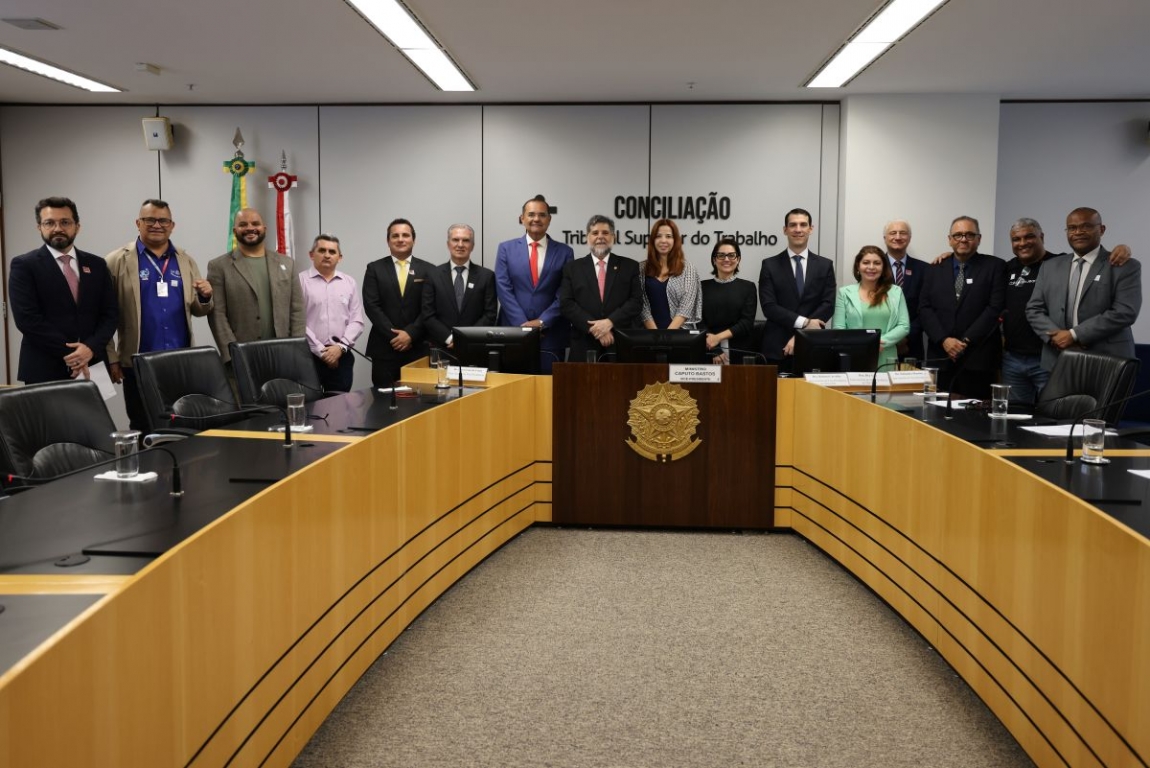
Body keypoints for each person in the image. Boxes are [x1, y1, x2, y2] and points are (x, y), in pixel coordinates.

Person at [105, 199, 214, 429]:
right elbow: (104, 314)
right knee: (143, 424)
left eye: (163, 220)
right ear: (138, 223)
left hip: (180, 360)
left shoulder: (185, 260)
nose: (157, 225)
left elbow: (198, 309)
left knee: (182, 423)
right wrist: (112, 357)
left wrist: (205, 297)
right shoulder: (116, 261)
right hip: (137, 362)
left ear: (172, 225)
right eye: (150, 220)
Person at [9, 196, 117, 384]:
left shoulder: (97, 265)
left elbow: (110, 314)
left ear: (77, 226)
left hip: (93, 363)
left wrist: (90, 348)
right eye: (49, 223)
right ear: (39, 227)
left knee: (92, 407)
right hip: (45, 367)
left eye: (65, 222)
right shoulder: (24, 265)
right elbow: (27, 319)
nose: (57, 228)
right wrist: (75, 354)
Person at [1026, 207, 1142, 371]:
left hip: (1108, 360)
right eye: (1072, 228)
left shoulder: (1122, 265)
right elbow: (1034, 309)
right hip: (1058, 357)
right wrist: (1056, 337)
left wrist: (1074, 335)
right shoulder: (1050, 266)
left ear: (1102, 229)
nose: (1078, 232)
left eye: (1086, 226)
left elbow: (1125, 311)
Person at [918, 216, 1005, 399]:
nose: (963, 239)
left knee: (976, 412)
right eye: (958, 235)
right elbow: (924, 308)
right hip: (941, 357)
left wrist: (964, 341)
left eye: (969, 235)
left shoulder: (995, 266)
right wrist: (944, 340)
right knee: (937, 409)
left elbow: (994, 308)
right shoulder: (933, 269)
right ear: (950, 239)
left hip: (978, 358)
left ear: (979, 239)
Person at [206, 208, 305, 365]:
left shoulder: (287, 264)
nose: (250, 228)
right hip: (242, 357)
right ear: (235, 231)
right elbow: (217, 314)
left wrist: (297, 349)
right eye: (243, 224)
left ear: (264, 229)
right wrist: (231, 354)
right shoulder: (219, 266)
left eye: (255, 223)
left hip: (283, 355)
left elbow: (297, 310)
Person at [494, 194, 574, 373]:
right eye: (531, 214)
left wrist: (542, 322)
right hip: (513, 332)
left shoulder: (565, 252)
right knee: (513, 385)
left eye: (542, 215)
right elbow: (503, 289)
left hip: (550, 334)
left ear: (549, 219)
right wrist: (523, 325)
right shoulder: (506, 248)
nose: (536, 219)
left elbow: (565, 292)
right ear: (522, 218)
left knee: (548, 387)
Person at [757, 207, 836, 371]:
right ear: (785, 230)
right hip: (777, 348)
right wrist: (805, 323)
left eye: (803, 225)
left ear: (811, 229)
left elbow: (828, 304)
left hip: (814, 346)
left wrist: (801, 336)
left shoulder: (825, 265)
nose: (798, 229)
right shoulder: (769, 265)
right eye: (793, 225)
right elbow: (769, 307)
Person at [559, 214, 643, 362]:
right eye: (595, 233)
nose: (600, 237)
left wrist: (610, 322)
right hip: (584, 343)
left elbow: (636, 302)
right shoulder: (572, 268)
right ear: (587, 237)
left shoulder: (630, 266)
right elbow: (566, 304)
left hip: (619, 342)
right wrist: (596, 329)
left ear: (613, 237)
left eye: (605, 233)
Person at [362, 218, 433, 386]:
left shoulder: (429, 270)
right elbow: (371, 306)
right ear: (388, 241)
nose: (400, 239)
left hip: (418, 348)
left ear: (413, 240)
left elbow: (430, 307)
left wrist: (410, 334)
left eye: (405, 235)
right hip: (385, 348)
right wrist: (396, 336)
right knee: (383, 398)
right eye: (395, 236)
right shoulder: (374, 269)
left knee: (419, 398)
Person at [300, 234, 364, 393]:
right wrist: (321, 351)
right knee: (310, 404)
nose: (327, 255)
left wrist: (340, 348)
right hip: (308, 356)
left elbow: (356, 321)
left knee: (338, 404)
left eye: (332, 251)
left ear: (339, 257)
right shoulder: (300, 281)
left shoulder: (349, 282)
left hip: (341, 356)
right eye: (322, 250)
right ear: (311, 255)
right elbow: (298, 321)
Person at [832, 245, 909, 370]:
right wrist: (864, 344)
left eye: (877, 263)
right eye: (866, 262)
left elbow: (904, 325)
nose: (871, 267)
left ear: (883, 267)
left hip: (886, 357)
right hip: (855, 356)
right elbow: (839, 328)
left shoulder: (896, 292)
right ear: (858, 266)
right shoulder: (844, 293)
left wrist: (878, 342)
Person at [422, 224, 498, 350]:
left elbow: (490, 314)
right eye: (455, 240)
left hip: (475, 348)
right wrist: (450, 338)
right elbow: (428, 315)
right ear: (448, 244)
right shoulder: (433, 275)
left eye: (466, 240)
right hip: (442, 347)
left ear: (472, 246)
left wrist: (466, 338)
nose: (460, 244)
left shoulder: (486, 276)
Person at [701, 236, 757, 364]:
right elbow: (698, 321)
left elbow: (746, 323)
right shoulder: (701, 287)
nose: (726, 259)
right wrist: (714, 347)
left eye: (731, 255)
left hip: (740, 351)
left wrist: (718, 338)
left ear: (738, 259)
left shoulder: (748, 287)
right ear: (714, 260)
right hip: (708, 350)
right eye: (721, 255)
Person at [639, 218, 701, 330]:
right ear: (652, 240)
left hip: (680, 333)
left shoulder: (688, 269)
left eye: (668, 236)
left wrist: (667, 335)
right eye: (658, 236)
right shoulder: (641, 268)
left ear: (675, 240)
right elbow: (642, 305)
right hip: (649, 334)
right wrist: (655, 334)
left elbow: (686, 307)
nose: (663, 240)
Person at [883, 220, 928, 362]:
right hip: (882, 343)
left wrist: (905, 336)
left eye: (902, 233)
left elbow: (925, 307)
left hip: (912, 345)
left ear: (909, 238)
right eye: (893, 233)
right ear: (885, 238)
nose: (898, 237)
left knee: (910, 377)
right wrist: (892, 338)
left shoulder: (924, 269)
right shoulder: (874, 268)